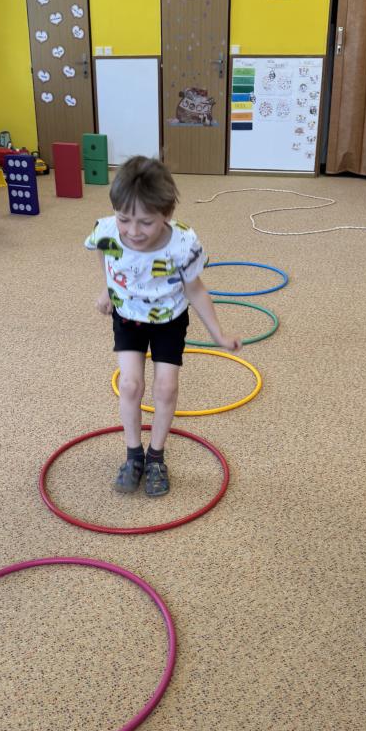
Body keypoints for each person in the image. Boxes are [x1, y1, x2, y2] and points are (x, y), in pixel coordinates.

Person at [85, 156, 241, 497]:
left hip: (168, 320)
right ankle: (133, 455)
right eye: (124, 219)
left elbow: (195, 289)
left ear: (166, 214)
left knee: (166, 389)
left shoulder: (183, 244)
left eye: (145, 222)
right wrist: (108, 288)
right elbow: (103, 251)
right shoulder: (107, 230)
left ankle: (156, 457)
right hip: (128, 316)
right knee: (130, 385)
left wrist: (218, 334)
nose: (132, 231)